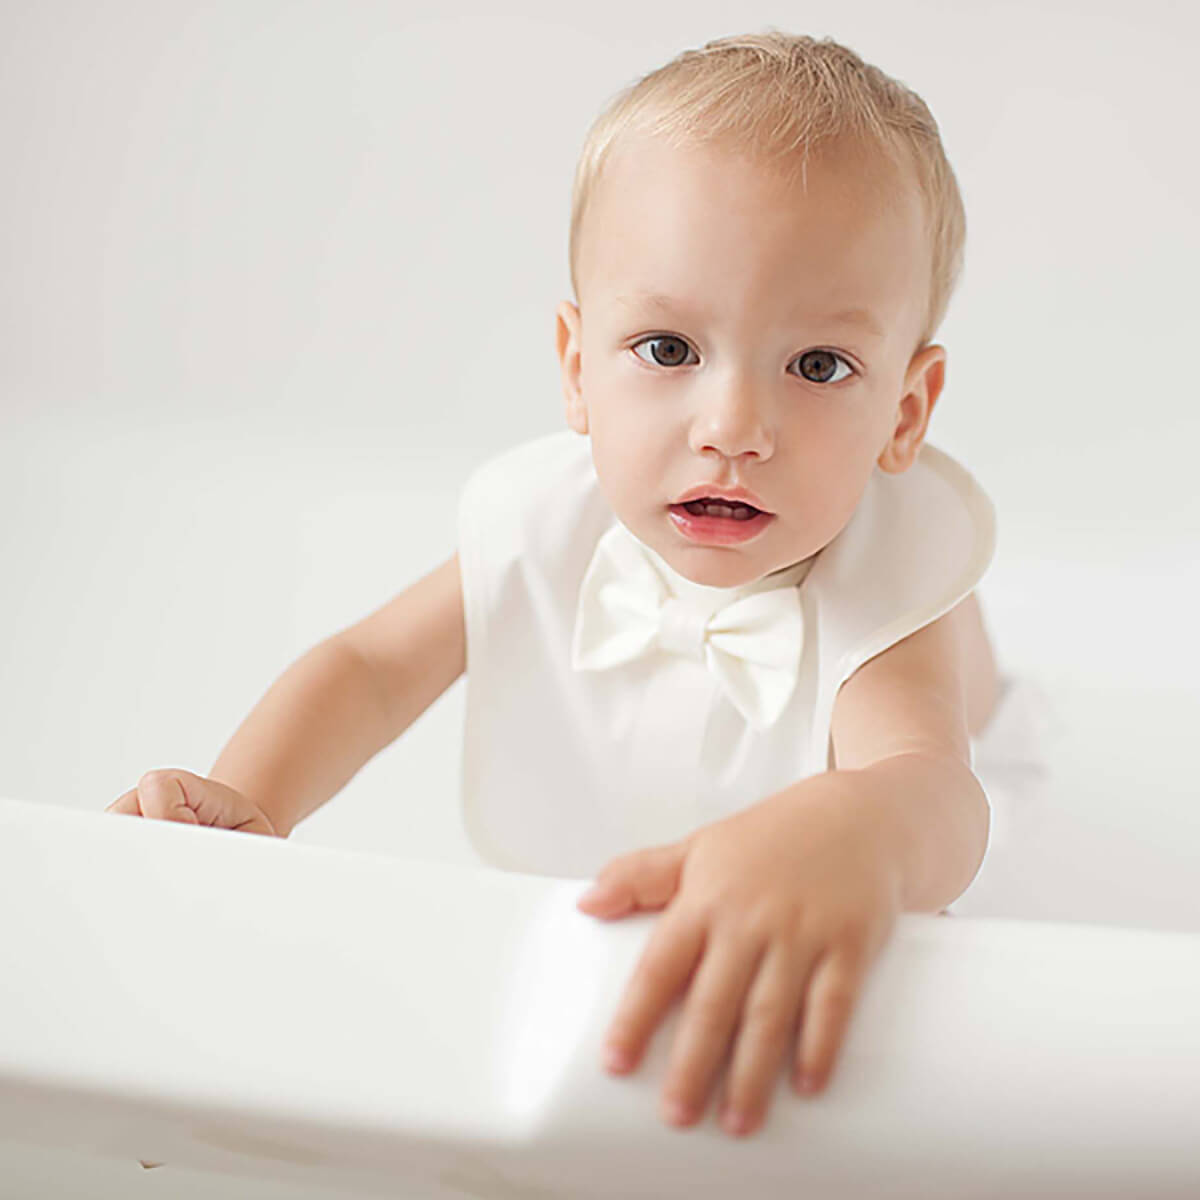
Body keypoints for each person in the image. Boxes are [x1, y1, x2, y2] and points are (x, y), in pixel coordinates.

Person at [106, 31, 1049, 1141]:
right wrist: (254, 806)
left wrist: (859, 830)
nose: (733, 429)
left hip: (1006, 778)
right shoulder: (542, 524)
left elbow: (936, 786)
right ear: (575, 368)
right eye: (665, 348)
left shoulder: (889, 591)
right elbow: (369, 668)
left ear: (906, 409)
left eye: (819, 366)